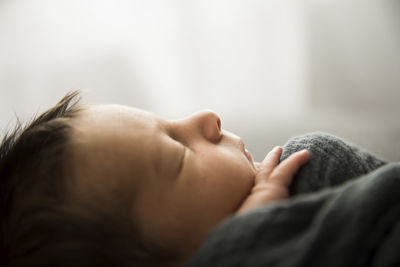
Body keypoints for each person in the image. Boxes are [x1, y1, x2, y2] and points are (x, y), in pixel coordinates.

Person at [0, 90, 387, 267]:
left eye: (169, 122)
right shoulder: (313, 173)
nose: (206, 117)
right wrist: (248, 240)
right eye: (178, 154)